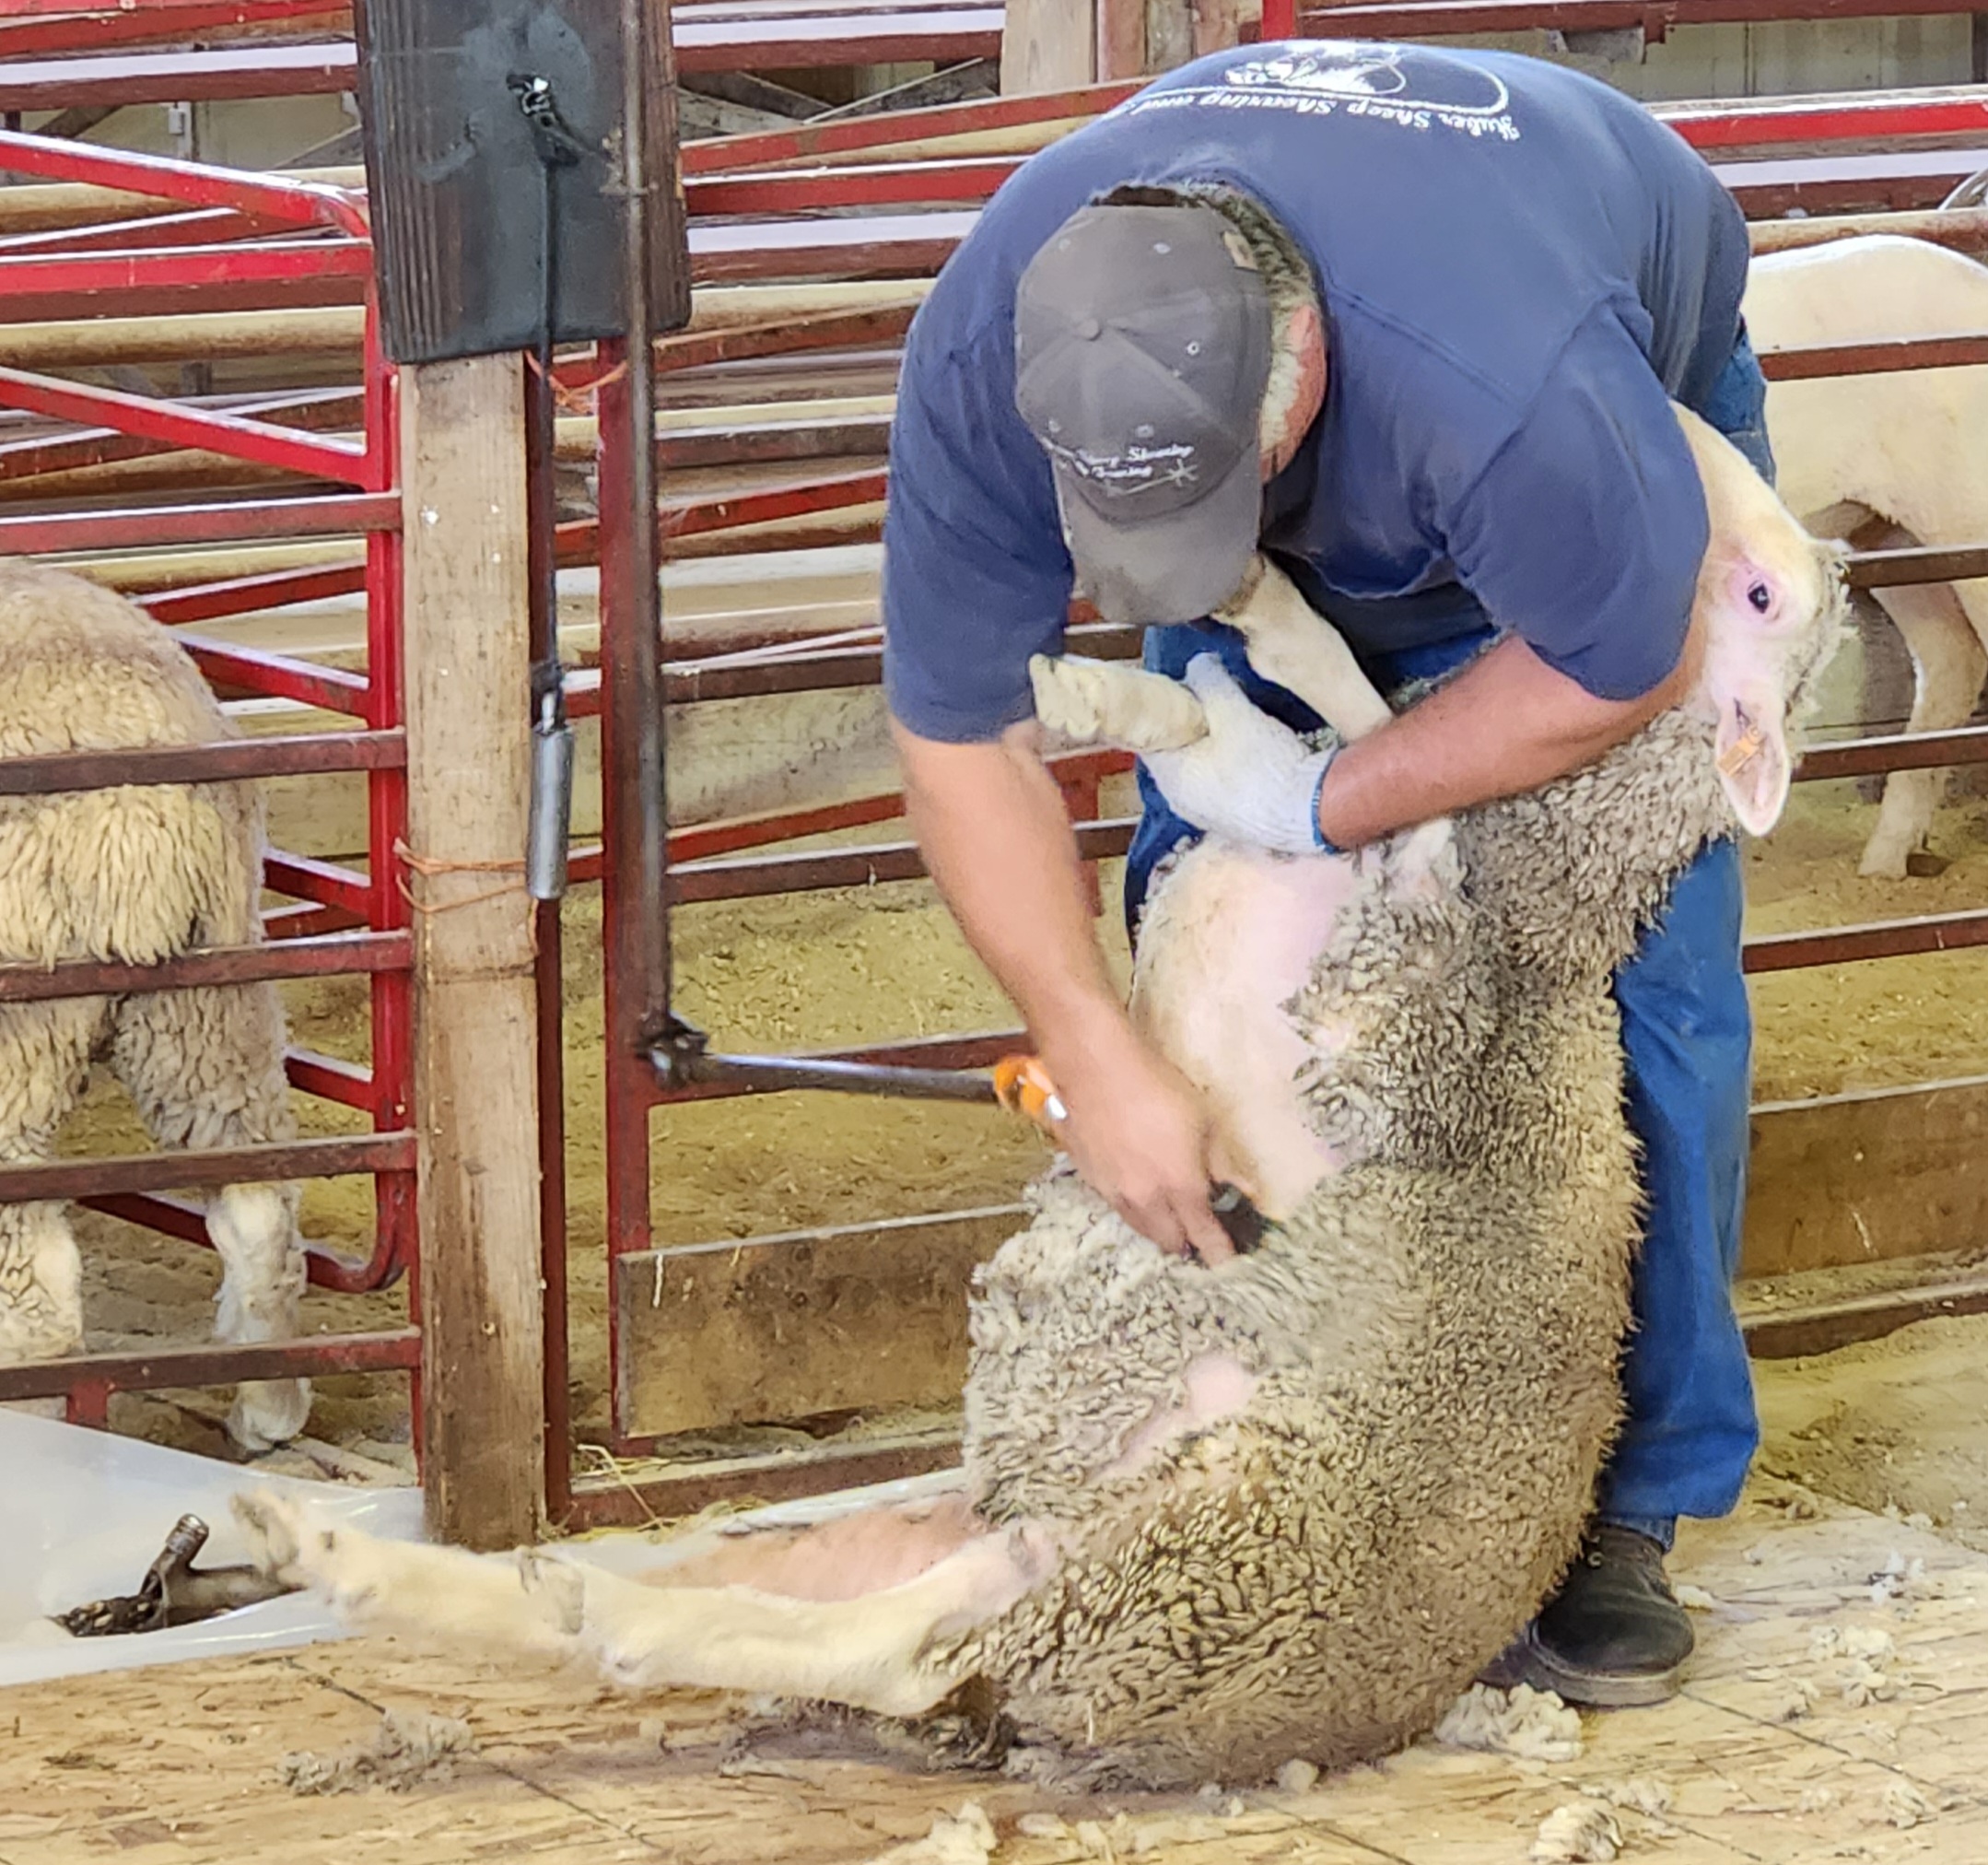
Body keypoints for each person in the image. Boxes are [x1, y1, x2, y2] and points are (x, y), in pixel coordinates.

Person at [879, 39, 1773, 1709]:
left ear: (1296, 378)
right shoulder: (1000, 354)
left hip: (1594, 440)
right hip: (1315, 462)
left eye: (1217, 490)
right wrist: (1087, 1044)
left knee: (1629, 967)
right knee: (1202, 928)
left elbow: (1618, 661)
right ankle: (1246, 1417)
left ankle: (1623, 1501)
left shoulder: (1508, 386)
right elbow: (958, 732)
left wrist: (1322, 801)